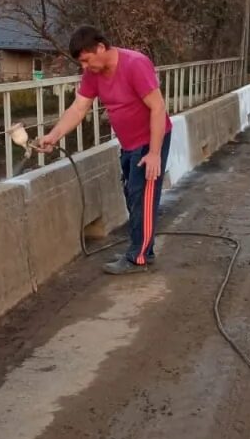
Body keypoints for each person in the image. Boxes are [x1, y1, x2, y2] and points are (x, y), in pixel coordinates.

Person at [39, 26, 172, 274]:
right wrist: (54, 135)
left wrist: (154, 153)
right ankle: (143, 249)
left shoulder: (135, 64)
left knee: (142, 195)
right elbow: (79, 109)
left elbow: (157, 107)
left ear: (100, 48)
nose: (85, 67)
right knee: (131, 194)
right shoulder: (93, 74)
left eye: (87, 60)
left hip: (151, 139)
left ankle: (138, 258)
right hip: (129, 142)